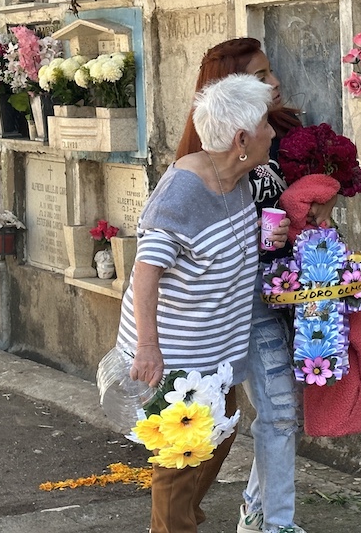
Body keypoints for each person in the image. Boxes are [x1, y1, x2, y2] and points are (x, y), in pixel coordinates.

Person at [176, 38, 333, 533]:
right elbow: (167, 251)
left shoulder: (272, 143)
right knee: (229, 419)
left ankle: (264, 515)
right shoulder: (198, 168)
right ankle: (251, 517)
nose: (276, 83)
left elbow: (281, 210)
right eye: (261, 77)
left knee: (281, 409)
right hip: (226, 303)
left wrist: (305, 215)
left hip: (274, 294)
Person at [118, 73, 277, 533]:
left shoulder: (238, 176)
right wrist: (149, 347)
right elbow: (145, 272)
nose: (273, 131)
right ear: (242, 138)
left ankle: (180, 521)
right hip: (178, 358)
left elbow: (229, 244)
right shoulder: (182, 193)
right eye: (266, 124)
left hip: (219, 354)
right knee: (178, 468)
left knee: (217, 442)